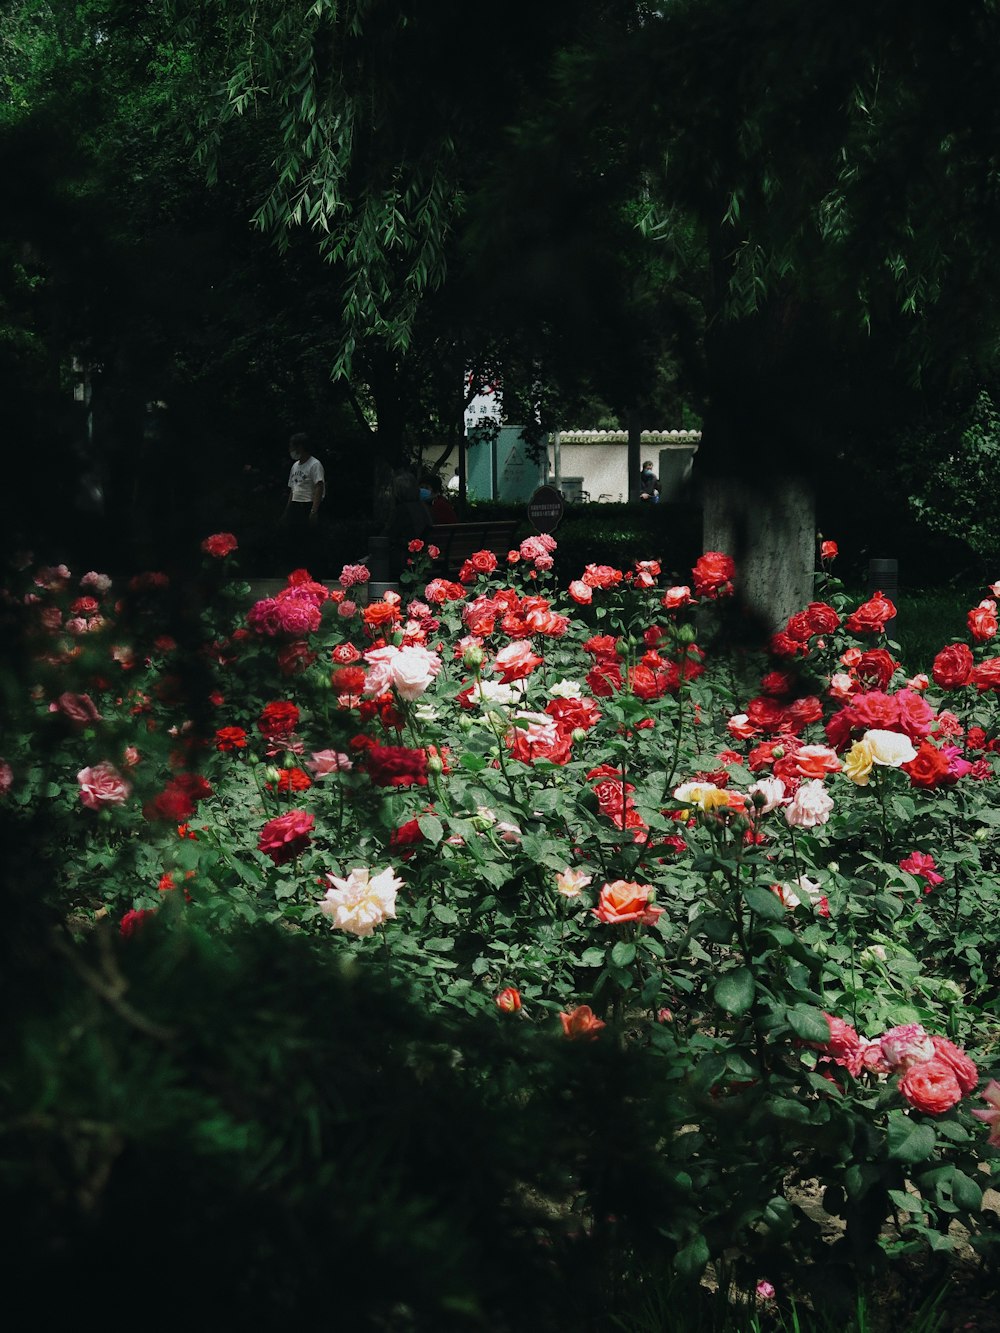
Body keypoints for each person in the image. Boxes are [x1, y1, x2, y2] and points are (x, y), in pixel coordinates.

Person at [282, 433, 325, 564]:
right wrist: (287, 510)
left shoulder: (315, 464)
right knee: (294, 542)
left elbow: (319, 486)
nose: (291, 450)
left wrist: (314, 511)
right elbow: (292, 489)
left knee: (309, 543)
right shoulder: (295, 466)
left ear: (300, 447)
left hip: (308, 505)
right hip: (296, 505)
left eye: (292, 446)